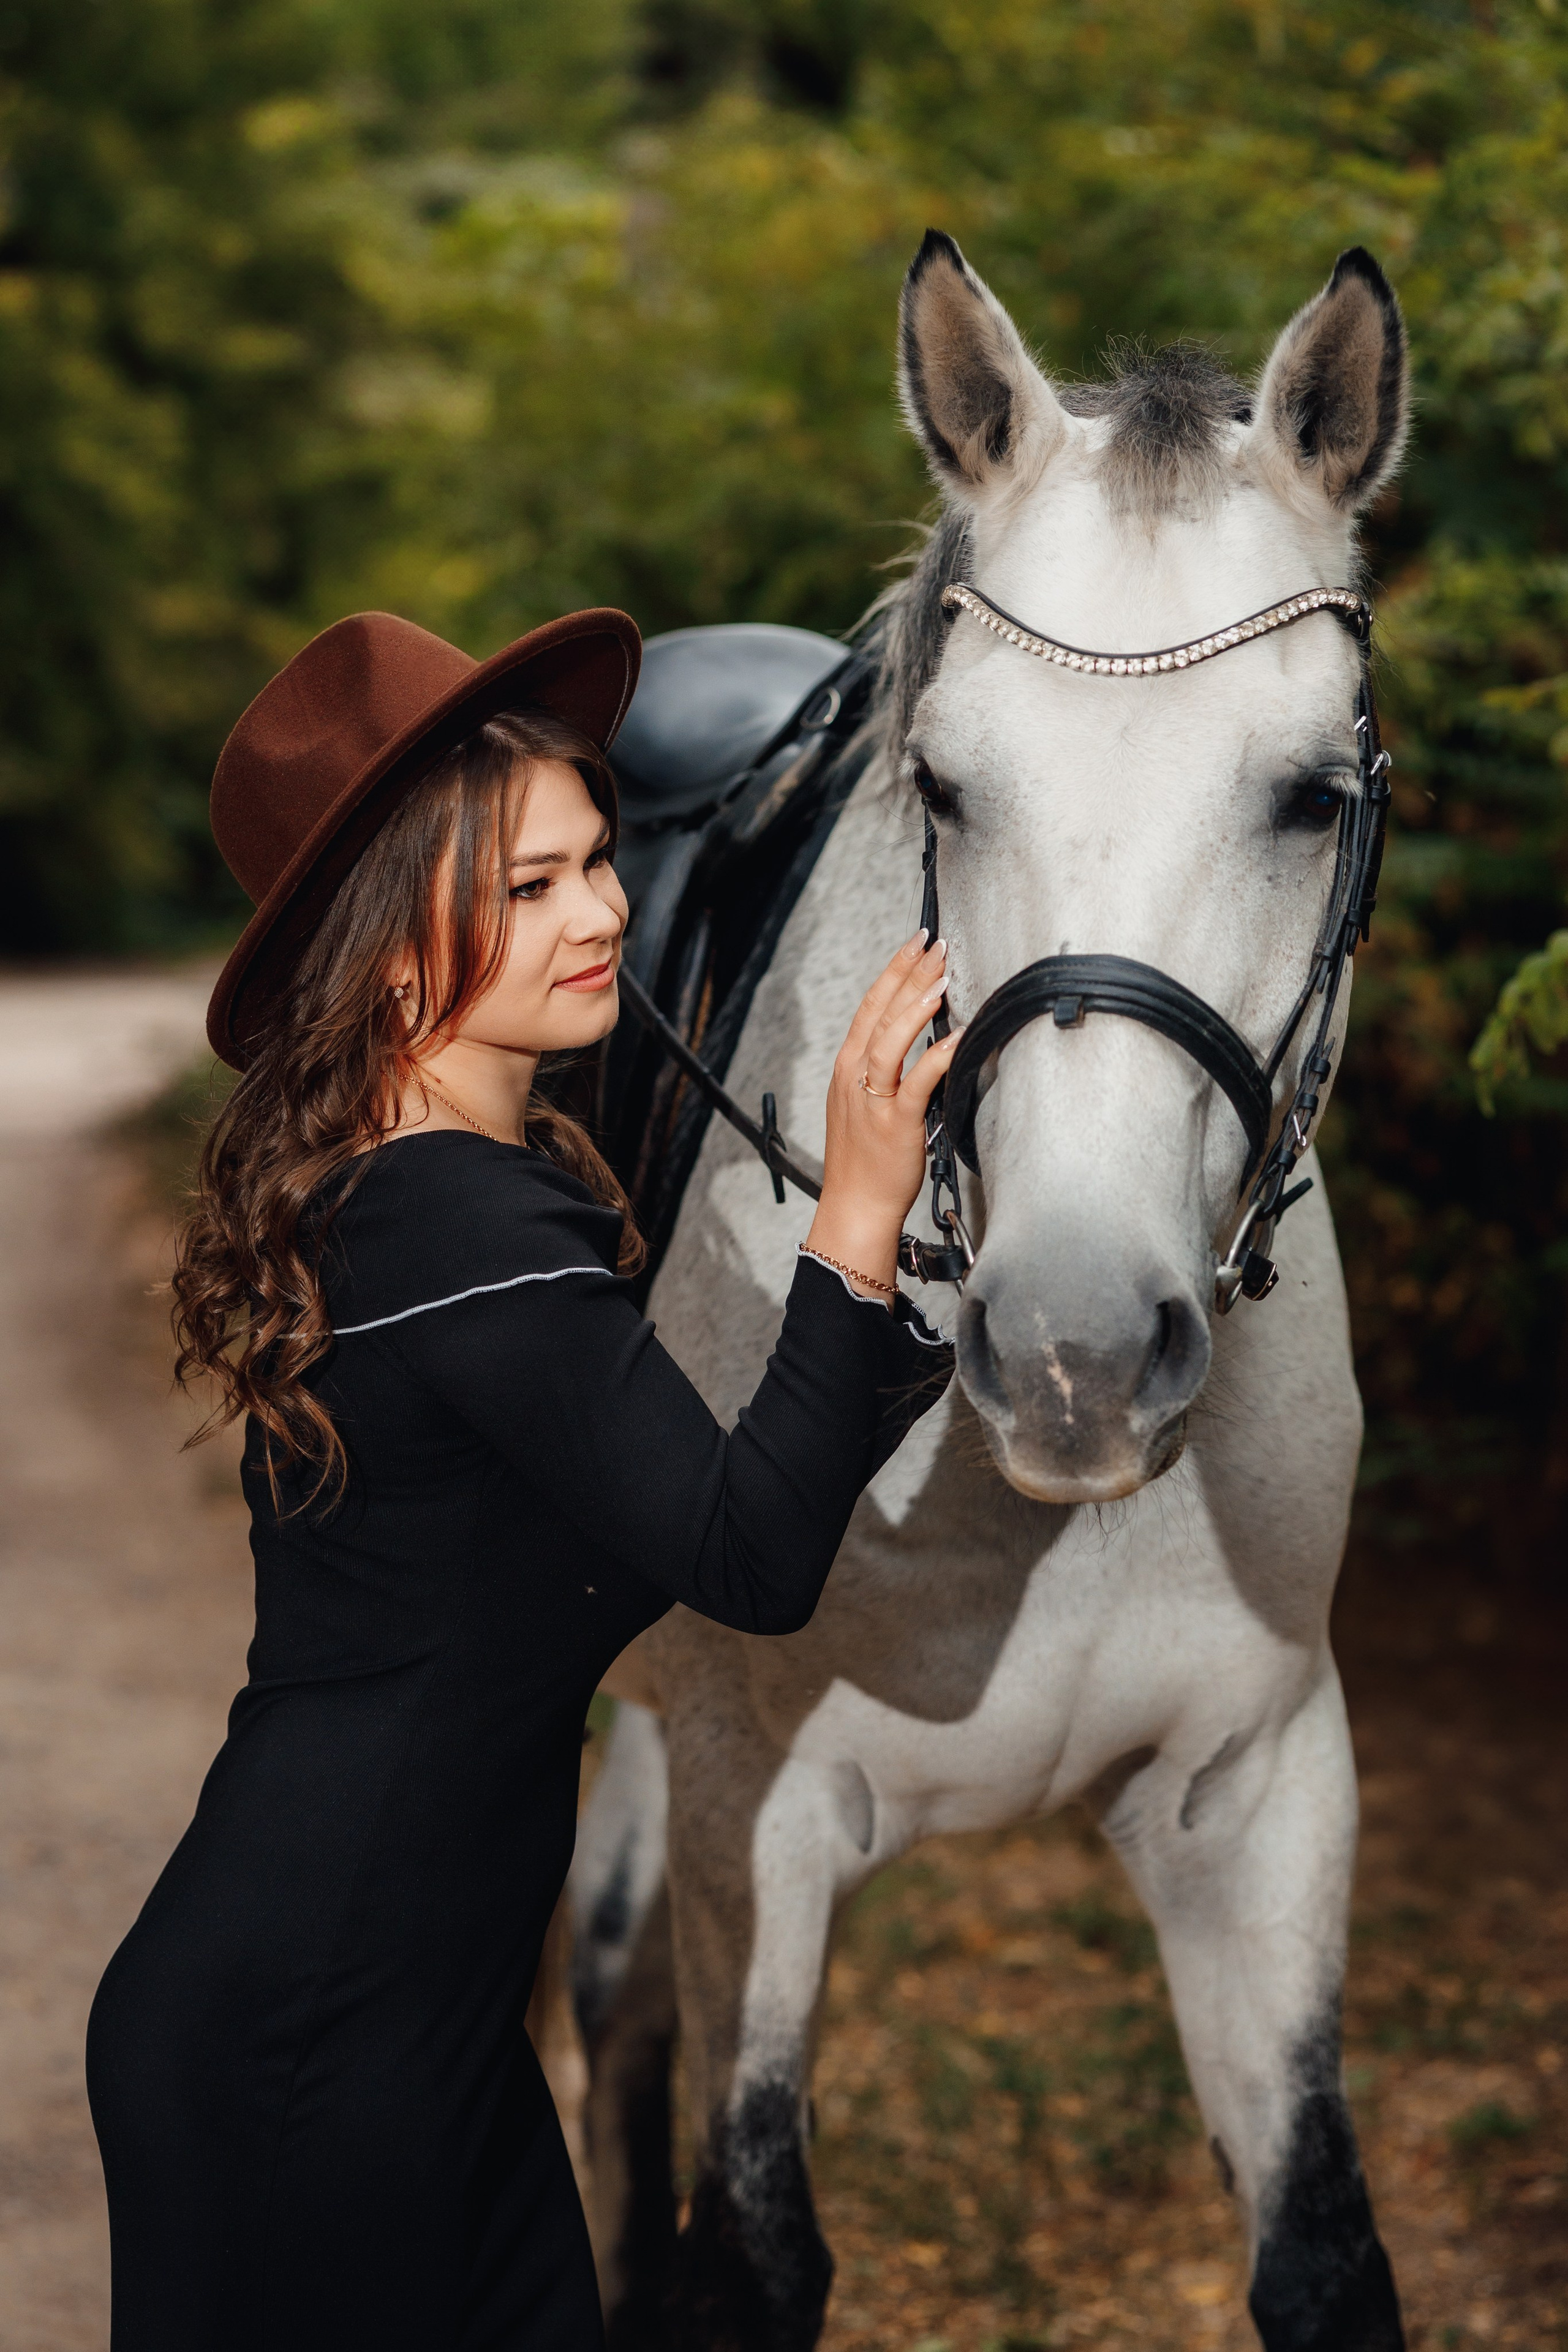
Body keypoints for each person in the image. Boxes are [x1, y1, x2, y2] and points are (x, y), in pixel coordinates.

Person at [85, 605, 960, 2351]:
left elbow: (653, 1508)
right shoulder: (464, 1226)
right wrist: (856, 1210)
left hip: (410, 2019)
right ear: (386, 951)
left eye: (598, 861)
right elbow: (747, 1554)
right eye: (531, 887)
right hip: (317, 2038)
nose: (605, 914)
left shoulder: (414, 1194)